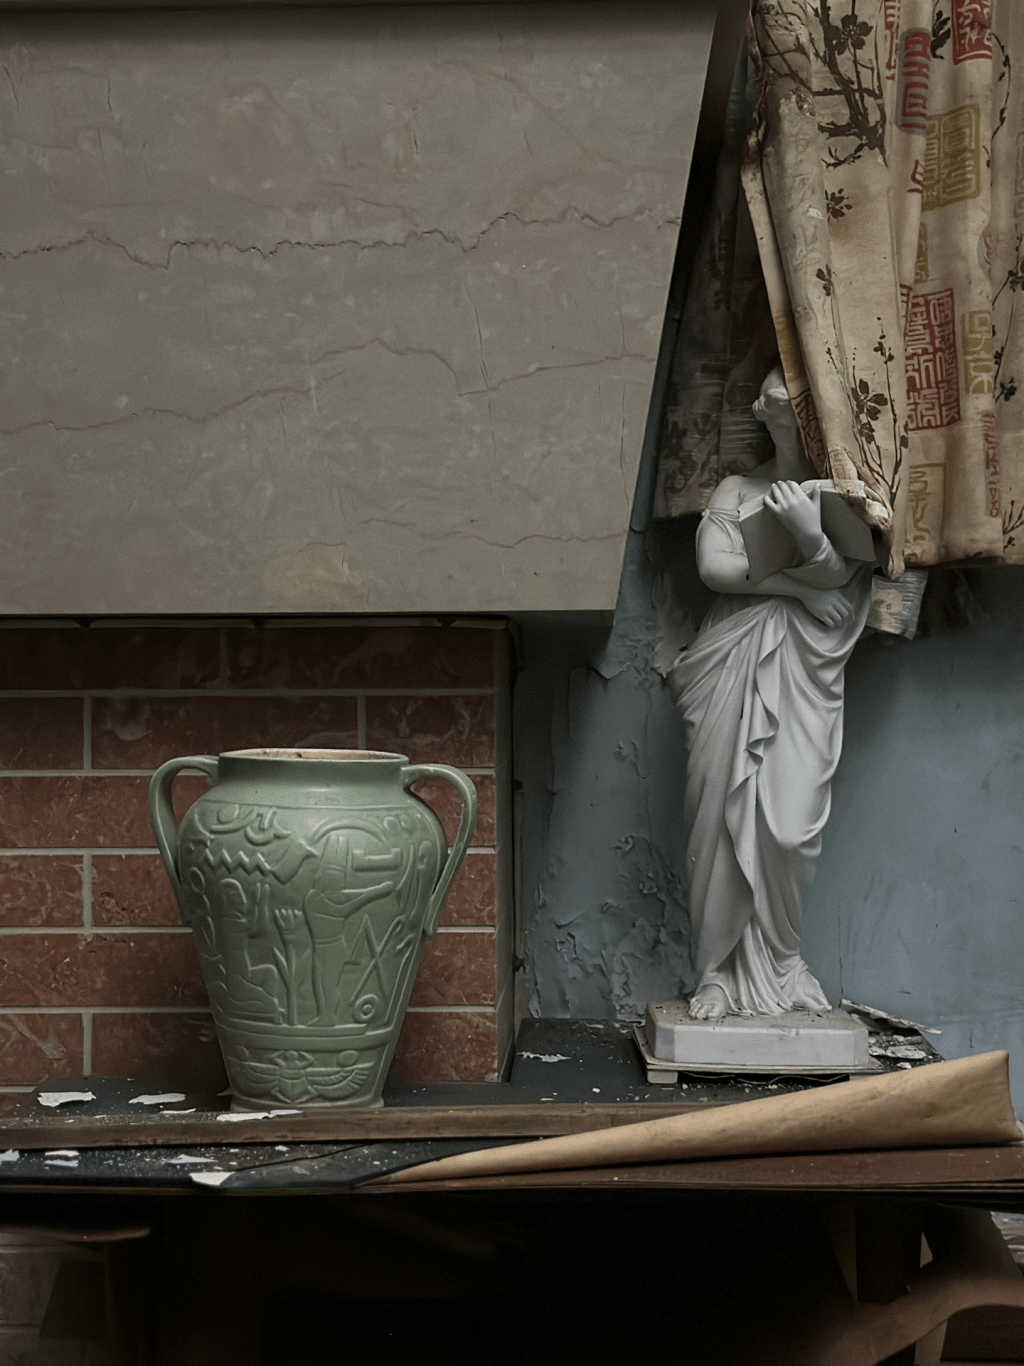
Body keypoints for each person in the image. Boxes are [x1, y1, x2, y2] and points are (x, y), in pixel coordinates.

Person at [668, 367, 872, 1021]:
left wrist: (810, 537)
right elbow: (713, 568)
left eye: (801, 399)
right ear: (761, 410)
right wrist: (801, 585)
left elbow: (844, 600)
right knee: (717, 830)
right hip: (730, 661)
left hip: (806, 676)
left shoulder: (843, 494)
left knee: (788, 829)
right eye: (778, 398)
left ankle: (783, 962)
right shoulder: (735, 488)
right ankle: (716, 976)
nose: (790, 409)